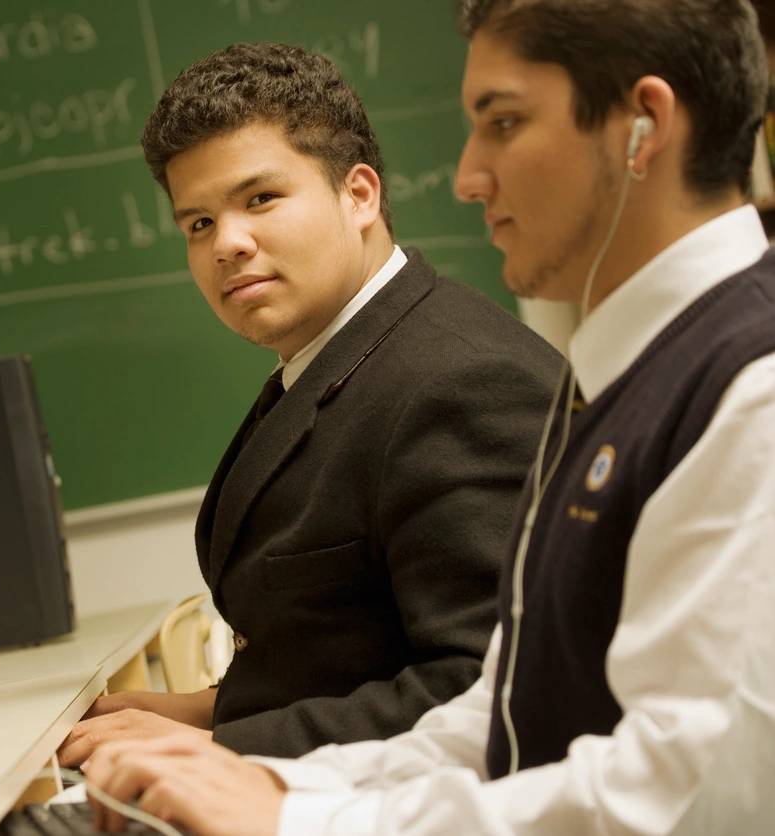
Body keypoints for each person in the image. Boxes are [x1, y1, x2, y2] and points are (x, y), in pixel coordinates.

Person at [81, 1, 775, 834]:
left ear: (642, 127)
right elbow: (508, 710)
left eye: (504, 122)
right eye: (198, 223)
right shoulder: (631, 371)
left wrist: (295, 815)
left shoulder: (752, 385)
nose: (466, 176)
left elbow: (701, 795)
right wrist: (278, 790)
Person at [58, 42, 559, 766]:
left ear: (359, 194)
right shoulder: (340, 356)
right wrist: (206, 709)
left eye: (259, 199)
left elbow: (487, 690)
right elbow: (349, 647)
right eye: (197, 223)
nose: (226, 243)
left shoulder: (458, 382)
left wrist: (223, 743)